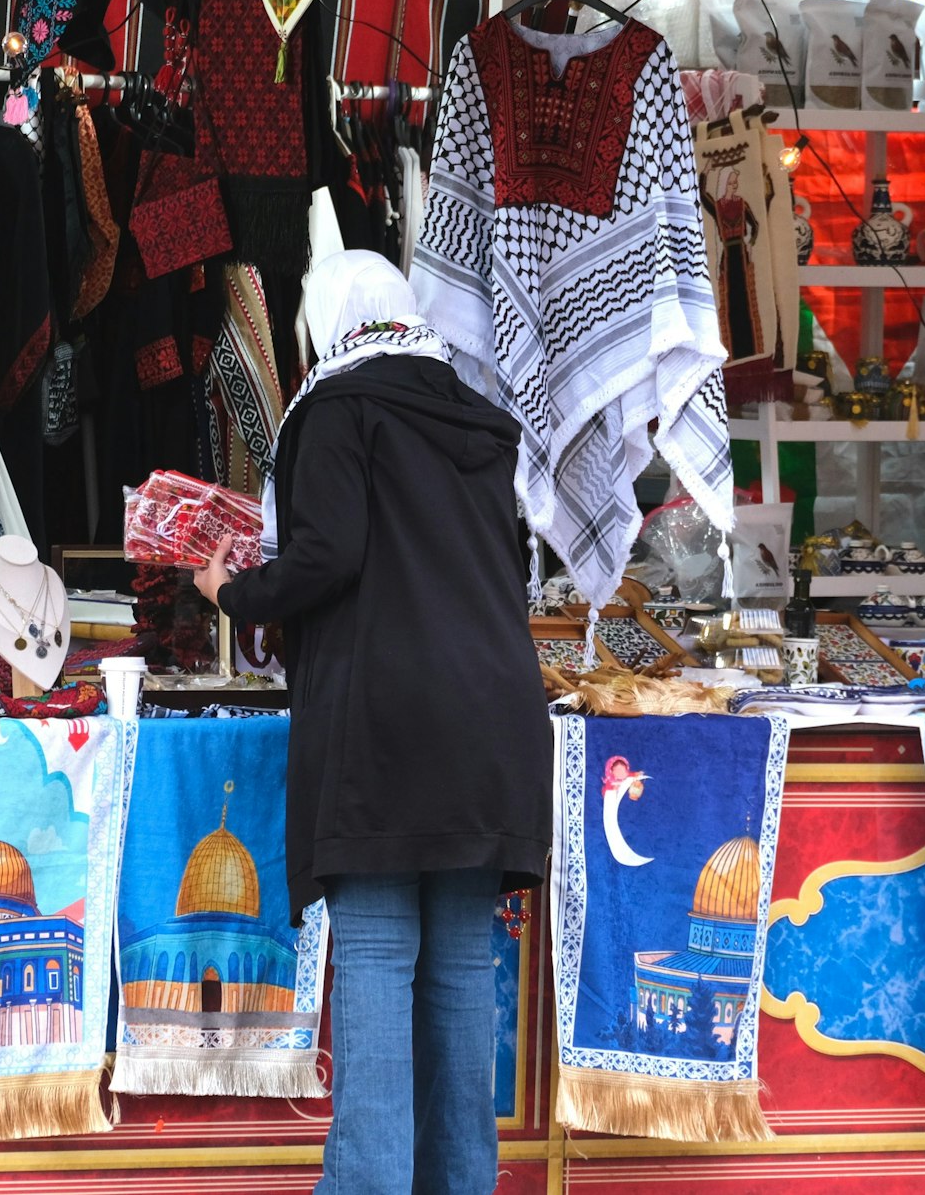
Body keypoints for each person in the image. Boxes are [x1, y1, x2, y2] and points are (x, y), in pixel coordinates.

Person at [196, 251, 550, 1195]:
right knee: (461, 984)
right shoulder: (479, 420)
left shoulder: (335, 408)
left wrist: (233, 588)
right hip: (490, 726)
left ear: (330, 319)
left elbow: (325, 556)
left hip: (388, 728)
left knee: (381, 970)